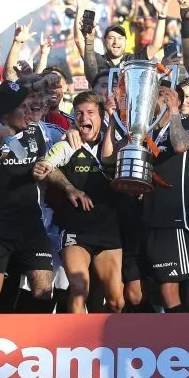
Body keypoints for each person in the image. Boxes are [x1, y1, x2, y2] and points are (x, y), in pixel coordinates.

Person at [33, 91, 125, 314]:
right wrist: (68, 187)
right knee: (79, 288)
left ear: (101, 116)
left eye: (90, 112)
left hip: (107, 229)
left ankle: (107, 336)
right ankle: (78, 336)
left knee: (116, 301)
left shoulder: (115, 143)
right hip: (75, 229)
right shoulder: (68, 144)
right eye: (79, 113)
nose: (84, 118)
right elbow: (47, 166)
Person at [0, 81, 53, 314]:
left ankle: (36, 337)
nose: (29, 111)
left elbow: (43, 165)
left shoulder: (36, 131)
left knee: (44, 289)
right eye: (22, 107)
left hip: (31, 223)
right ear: (6, 114)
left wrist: (46, 170)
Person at [139, 84, 189, 313]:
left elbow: (180, 145)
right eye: (157, 93)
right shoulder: (144, 130)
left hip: (171, 222)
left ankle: (184, 335)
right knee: (142, 293)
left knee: (170, 291)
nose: (159, 97)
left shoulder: (185, 125)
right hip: (143, 219)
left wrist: (174, 111)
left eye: (166, 94)